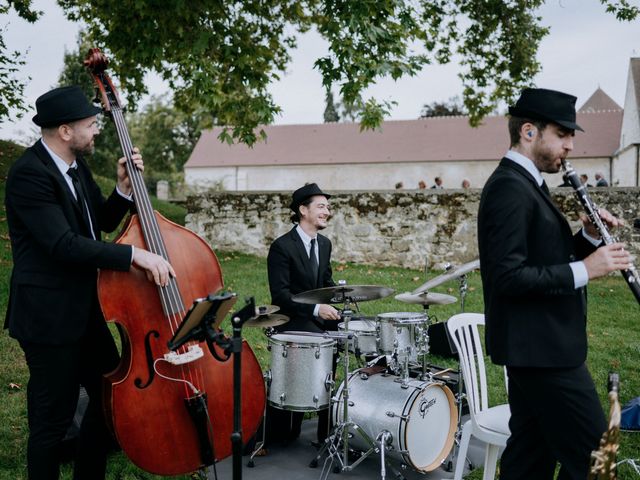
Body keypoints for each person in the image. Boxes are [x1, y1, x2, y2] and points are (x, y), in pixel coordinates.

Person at [4, 86, 175, 480]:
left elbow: (99, 220)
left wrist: (122, 188)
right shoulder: (29, 174)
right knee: (52, 420)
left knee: (107, 400)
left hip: (86, 310)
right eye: (90, 124)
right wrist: (136, 255)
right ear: (65, 131)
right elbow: (64, 245)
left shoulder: (76, 167)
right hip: (48, 317)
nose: (97, 130)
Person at [477, 87, 631, 480]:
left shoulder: (528, 184)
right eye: (562, 134)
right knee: (597, 458)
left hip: (539, 348)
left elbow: (546, 259)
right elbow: (507, 276)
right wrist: (588, 268)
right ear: (529, 132)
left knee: (529, 460)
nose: (571, 146)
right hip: (543, 353)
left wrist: (589, 237)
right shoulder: (509, 189)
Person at [267, 183, 340, 444]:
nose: (327, 212)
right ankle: (284, 424)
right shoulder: (282, 247)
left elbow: (326, 285)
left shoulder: (325, 244)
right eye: (321, 206)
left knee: (353, 335)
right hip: (292, 321)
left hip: (317, 318)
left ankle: (327, 433)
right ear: (302, 210)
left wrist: (342, 298)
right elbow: (281, 297)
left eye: (328, 207)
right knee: (325, 341)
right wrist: (316, 309)